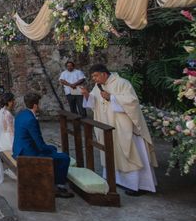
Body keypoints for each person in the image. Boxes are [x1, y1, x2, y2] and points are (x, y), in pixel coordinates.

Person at [81, 63, 158, 196]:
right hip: (108, 126)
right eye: (93, 76)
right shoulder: (98, 86)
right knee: (112, 151)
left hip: (124, 127)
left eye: (95, 76)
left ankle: (138, 185)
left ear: (104, 74)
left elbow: (132, 102)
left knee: (130, 152)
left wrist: (112, 97)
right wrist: (87, 95)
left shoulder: (122, 83)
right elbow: (94, 103)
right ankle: (116, 179)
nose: (94, 79)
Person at [13, 92, 73, 198]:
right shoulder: (31, 120)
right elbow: (41, 146)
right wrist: (52, 148)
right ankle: (58, 187)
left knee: (53, 152)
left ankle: (53, 180)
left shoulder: (21, 114)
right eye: (39, 104)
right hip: (28, 153)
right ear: (35, 105)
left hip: (19, 149)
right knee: (64, 157)